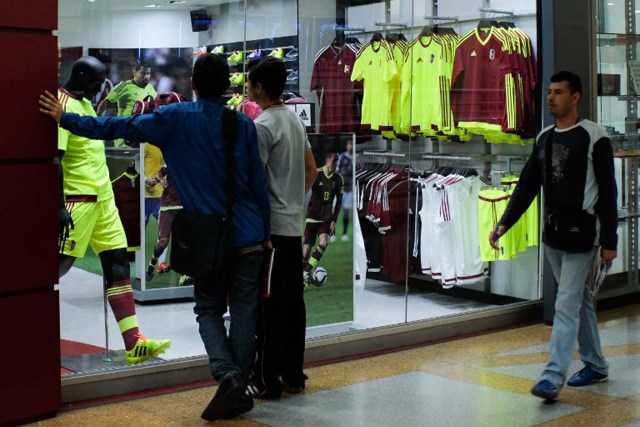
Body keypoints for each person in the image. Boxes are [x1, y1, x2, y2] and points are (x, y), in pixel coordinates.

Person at [40, 53, 271, 421]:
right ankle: (236, 386)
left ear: (192, 84)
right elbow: (258, 182)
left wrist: (63, 118)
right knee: (243, 312)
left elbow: (114, 127)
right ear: (228, 86)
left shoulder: (174, 118)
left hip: (209, 235)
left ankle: (229, 379)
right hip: (250, 233)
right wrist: (267, 230)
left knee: (209, 308)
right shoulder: (241, 124)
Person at [489, 71, 618, 401]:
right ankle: (597, 365)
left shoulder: (594, 136)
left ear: (575, 97)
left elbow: (608, 191)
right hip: (553, 237)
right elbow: (528, 185)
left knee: (564, 304)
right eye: (549, 92)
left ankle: (552, 375)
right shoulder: (545, 137)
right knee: (579, 301)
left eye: (559, 92)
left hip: (583, 237)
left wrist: (610, 241)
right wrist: (505, 222)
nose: (550, 98)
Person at [51, 56, 171, 365]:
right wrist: (57, 204)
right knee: (56, 268)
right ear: (80, 76)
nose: (98, 89)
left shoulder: (87, 104)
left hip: (104, 201)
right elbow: (55, 159)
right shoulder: (61, 105)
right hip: (78, 201)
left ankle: (134, 343)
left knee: (118, 266)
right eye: (94, 83)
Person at [245, 56, 318, 399]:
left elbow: (257, 181)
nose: (247, 88)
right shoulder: (294, 120)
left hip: (271, 231)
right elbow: (312, 171)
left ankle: (268, 378)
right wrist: (293, 199)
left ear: (258, 87)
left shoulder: (263, 126)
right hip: (292, 226)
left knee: (270, 306)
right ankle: (293, 374)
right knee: (294, 304)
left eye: (249, 83)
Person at [303, 151, 344, 286]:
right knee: (305, 254)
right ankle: (302, 277)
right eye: (334, 161)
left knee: (324, 242)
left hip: (326, 218)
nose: (336, 164)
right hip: (312, 216)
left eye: (337, 162)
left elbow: (339, 201)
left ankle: (305, 273)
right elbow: (304, 188)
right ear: (327, 160)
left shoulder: (338, 179)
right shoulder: (316, 173)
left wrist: (334, 219)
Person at [97, 59, 157, 147]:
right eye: (143, 73)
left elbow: (156, 106)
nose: (146, 77)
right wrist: (98, 120)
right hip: (124, 137)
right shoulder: (124, 86)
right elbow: (105, 102)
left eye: (148, 73)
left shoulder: (150, 88)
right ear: (134, 72)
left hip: (142, 135)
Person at [336, 140, 353, 242]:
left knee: (346, 212)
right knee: (335, 212)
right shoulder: (342, 157)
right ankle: (331, 233)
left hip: (349, 188)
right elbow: (337, 171)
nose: (350, 146)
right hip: (340, 188)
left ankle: (344, 234)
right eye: (349, 144)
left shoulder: (354, 158)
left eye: (352, 144)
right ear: (346, 146)